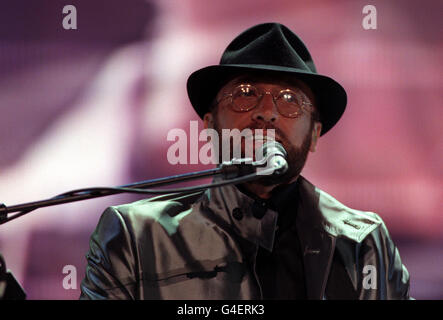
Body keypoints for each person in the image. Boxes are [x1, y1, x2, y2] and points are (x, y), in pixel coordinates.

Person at [79, 23, 411, 300]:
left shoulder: (364, 241)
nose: (266, 111)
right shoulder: (137, 236)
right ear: (210, 126)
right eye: (246, 93)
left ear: (313, 135)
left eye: (290, 100)